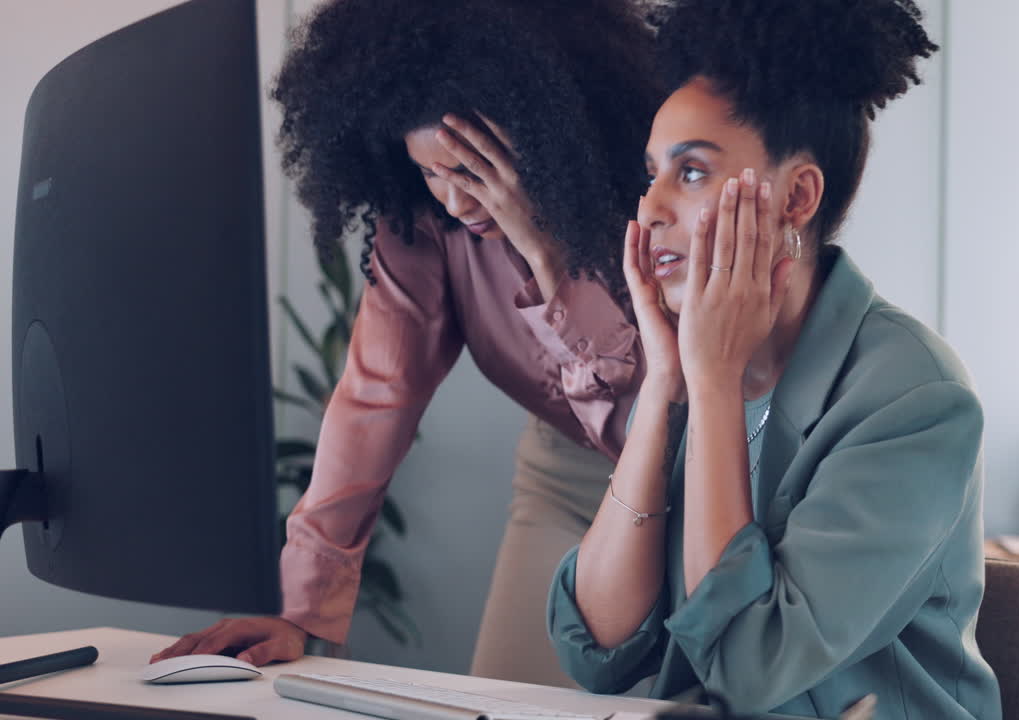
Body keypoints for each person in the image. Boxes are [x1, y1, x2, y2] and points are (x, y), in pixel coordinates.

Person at [152, 0, 663, 688]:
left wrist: (546, 253)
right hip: (563, 479)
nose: (454, 201)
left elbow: (664, 412)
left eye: (473, 171)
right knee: (505, 700)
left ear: (545, 128)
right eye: (430, 173)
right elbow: (374, 397)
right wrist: (301, 612)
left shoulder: (652, 196)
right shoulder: (425, 230)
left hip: (690, 476)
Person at [547, 0, 1002, 717]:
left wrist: (714, 381)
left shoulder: (917, 398)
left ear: (795, 196)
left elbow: (749, 667)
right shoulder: (691, 371)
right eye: (652, 172)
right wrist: (668, 379)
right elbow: (597, 647)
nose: (651, 207)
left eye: (691, 172)